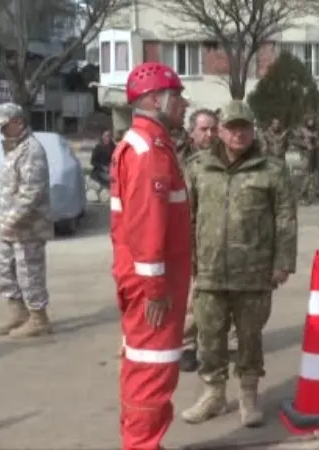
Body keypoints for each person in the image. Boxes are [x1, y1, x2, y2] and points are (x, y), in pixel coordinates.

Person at [181, 100, 297, 427]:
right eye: (231, 128)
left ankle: (248, 395)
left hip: (255, 272)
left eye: (244, 127)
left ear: (253, 130)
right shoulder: (198, 167)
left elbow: (286, 219)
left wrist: (283, 262)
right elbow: (186, 218)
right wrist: (187, 262)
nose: (238, 134)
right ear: (219, 131)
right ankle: (213, 395)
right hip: (210, 271)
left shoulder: (271, 170)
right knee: (210, 337)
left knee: (249, 338)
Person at [109, 61, 191, 450]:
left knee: (147, 366)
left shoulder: (150, 145)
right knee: (152, 370)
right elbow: (147, 229)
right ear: (156, 99)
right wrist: (156, 288)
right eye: (178, 97)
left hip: (151, 282)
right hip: (153, 288)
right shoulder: (147, 152)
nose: (185, 104)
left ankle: (143, 443)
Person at [0, 102, 54, 339]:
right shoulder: (13, 148)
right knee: (3, 268)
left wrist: (13, 219)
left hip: (28, 226)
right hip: (9, 224)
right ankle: (18, 312)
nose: (1, 131)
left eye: (4, 126)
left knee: (30, 272)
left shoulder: (31, 150)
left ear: (18, 122)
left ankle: (39, 318)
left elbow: (32, 191)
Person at [179, 108, 222, 373]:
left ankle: (220, 342)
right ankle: (187, 345)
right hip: (195, 241)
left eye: (213, 129)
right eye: (204, 129)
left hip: (223, 242)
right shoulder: (183, 163)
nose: (209, 134)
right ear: (192, 132)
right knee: (193, 298)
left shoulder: (225, 159)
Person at [290, 114, 319, 205]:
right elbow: (294, 141)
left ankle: (313, 195)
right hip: (307, 155)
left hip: (316, 155)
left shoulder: (317, 130)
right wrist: (305, 145)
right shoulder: (301, 130)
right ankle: (303, 195)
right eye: (309, 120)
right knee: (307, 175)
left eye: (312, 120)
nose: (311, 122)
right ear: (306, 121)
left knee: (316, 175)